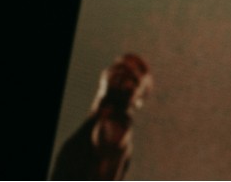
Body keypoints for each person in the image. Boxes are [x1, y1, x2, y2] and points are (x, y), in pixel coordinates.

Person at [50, 53, 153, 181]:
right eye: (119, 67)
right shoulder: (97, 122)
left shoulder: (113, 128)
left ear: (139, 99)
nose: (120, 75)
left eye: (132, 78)